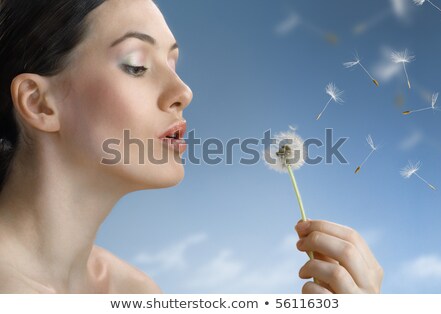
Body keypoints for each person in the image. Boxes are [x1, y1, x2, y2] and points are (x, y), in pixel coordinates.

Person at [0, 0, 382, 293]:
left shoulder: (134, 292)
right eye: (136, 65)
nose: (184, 92)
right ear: (38, 103)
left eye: (174, 63)